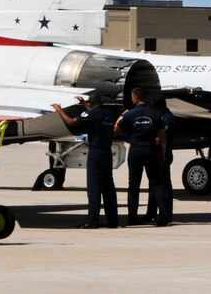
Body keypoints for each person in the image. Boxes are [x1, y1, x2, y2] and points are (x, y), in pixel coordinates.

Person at [52, 93, 119, 229]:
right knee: (108, 188)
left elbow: (71, 122)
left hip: (96, 153)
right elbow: (93, 114)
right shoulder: (108, 114)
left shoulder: (93, 114)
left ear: (92, 104)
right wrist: (84, 104)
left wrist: (59, 110)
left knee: (94, 187)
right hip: (107, 152)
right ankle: (112, 220)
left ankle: (92, 221)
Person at [115, 87, 169, 227]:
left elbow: (116, 128)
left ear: (135, 98)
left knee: (133, 185)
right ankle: (163, 216)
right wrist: (163, 154)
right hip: (151, 150)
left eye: (133, 98)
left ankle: (132, 217)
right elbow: (162, 135)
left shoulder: (130, 114)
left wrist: (123, 114)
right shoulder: (156, 114)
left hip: (136, 151)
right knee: (156, 184)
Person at [145, 99, 176, 224]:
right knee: (154, 186)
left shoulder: (166, 118)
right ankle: (150, 213)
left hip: (163, 156)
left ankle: (167, 214)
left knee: (164, 186)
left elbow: (160, 139)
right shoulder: (162, 116)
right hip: (158, 155)